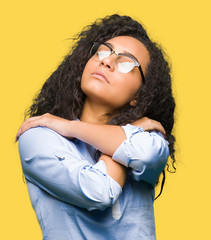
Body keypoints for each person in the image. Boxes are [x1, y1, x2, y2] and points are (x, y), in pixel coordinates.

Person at [16, 14, 176, 239]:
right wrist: (127, 132)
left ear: (140, 96)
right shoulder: (39, 137)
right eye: (102, 51)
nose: (107, 61)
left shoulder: (151, 137)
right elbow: (100, 191)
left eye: (126, 62)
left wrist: (70, 127)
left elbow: (143, 153)